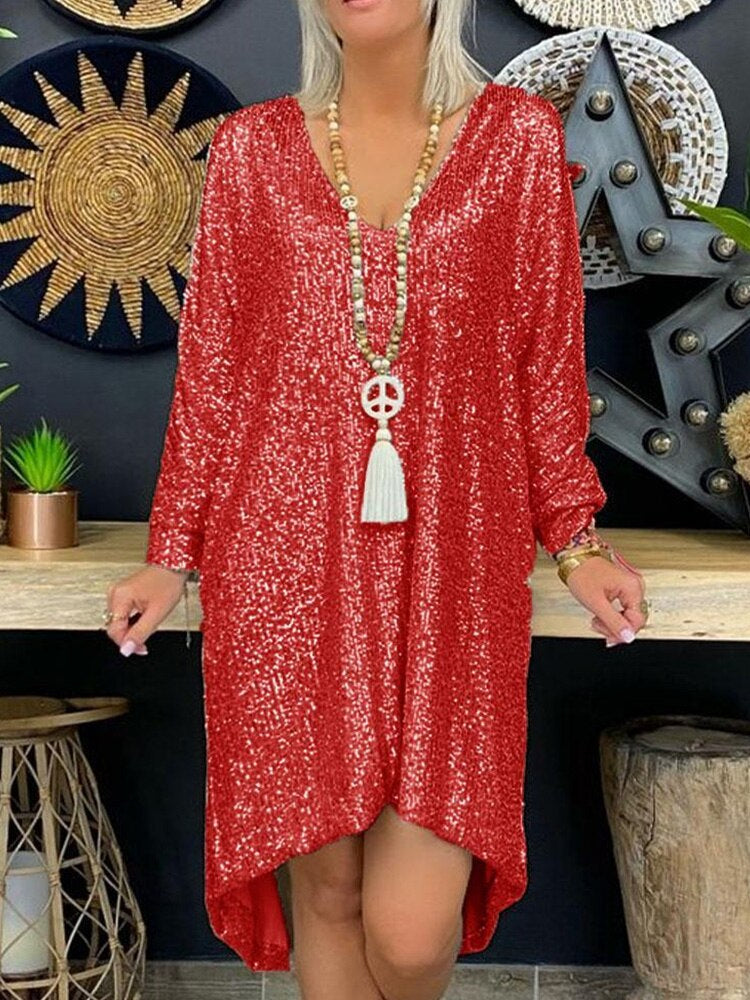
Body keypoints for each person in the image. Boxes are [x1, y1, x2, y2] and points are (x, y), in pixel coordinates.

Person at [104, 0, 649, 997]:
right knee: (330, 893)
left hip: (456, 567)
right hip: (284, 562)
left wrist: (575, 537)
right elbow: (215, 372)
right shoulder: (252, 151)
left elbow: (545, 360)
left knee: (407, 934)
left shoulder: (518, 141)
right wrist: (171, 550)